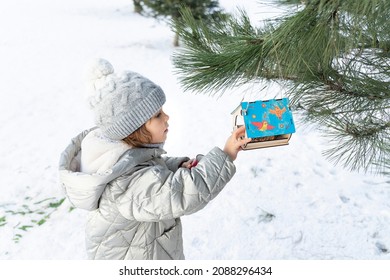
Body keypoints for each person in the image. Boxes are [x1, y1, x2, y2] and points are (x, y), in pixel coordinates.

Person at [59, 58, 251, 260]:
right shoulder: (127, 185)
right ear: (135, 128)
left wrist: (177, 167)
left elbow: (144, 167)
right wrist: (226, 154)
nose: (166, 117)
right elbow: (183, 194)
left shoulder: (119, 158)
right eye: (158, 115)